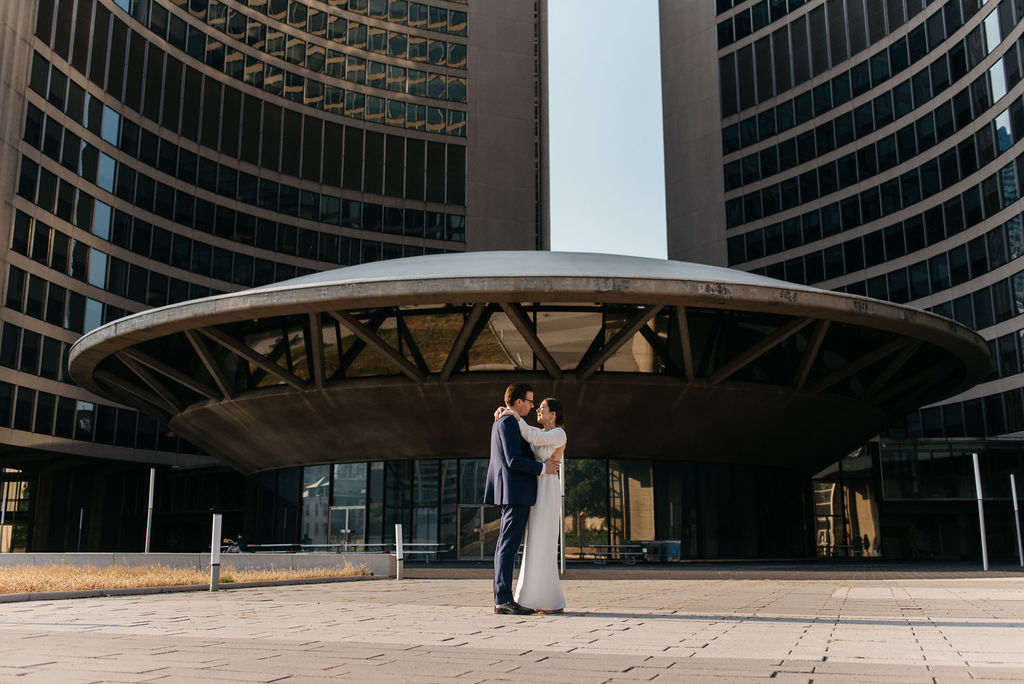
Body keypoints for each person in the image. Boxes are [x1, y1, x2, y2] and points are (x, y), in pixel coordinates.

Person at [484, 383, 560, 615]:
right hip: (514, 491)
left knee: (507, 545)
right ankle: (503, 599)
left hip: (515, 491)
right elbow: (513, 460)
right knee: (508, 546)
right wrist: (542, 468)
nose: (532, 405)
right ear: (518, 402)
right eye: (529, 401)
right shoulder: (507, 422)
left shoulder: (508, 420)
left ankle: (503, 597)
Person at [501, 397, 567, 613]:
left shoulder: (558, 433)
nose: (538, 409)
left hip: (547, 489)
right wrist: (505, 411)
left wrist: (513, 413)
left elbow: (531, 435)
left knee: (544, 541)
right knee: (534, 541)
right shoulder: (540, 432)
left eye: (543, 407)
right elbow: (527, 432)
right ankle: (530, 597)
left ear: (553, 414)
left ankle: (549, 600)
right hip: (536, 487)